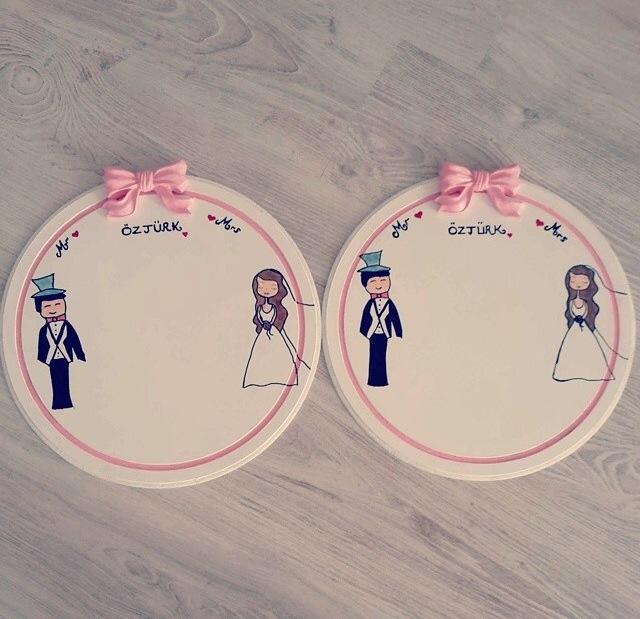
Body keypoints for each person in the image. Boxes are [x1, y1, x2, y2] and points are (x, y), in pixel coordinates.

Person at [243, 268, 306, 388]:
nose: (266, 291)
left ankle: (281, 377)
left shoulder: (276, 308)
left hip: (274, 333)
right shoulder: (259, 307)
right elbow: (259, 318)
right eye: (261, 287)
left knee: (279, 355)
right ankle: (259, 378)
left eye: (272, 287)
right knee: (260, 356)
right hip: (263, 335)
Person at [32, 274, 86, 409]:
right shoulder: (43, 330)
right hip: (51, 360)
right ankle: (58, 403)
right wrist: (43, 359)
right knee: (55, 381)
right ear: (40, 310)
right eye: (47, 306)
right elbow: (41, 345)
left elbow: (75, 341)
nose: (53, 309)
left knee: (65, 380)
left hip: (65, 358)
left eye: (57, 304)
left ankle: (66, 402)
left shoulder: (67, 326)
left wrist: (80, 355)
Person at [553, 265, 614, 382]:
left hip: (583, 327)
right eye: (573, 281)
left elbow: (586, 312)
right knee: (571, 349)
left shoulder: (587, 302)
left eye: (584, 282)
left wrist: (583, 318)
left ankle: (593, 371)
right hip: (575, 328)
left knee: (589, 348)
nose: (578, 284)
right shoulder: (571, 301)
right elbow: (571, 312)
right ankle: (567, 372)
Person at [358, 251, 402, 387]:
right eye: (373, 281)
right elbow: (365, 319)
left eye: (383, 280)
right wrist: (365, 332)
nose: (379, 284)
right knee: (373, 356)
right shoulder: (369, 304)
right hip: (372, 334)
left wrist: (398, 333)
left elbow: (395, 318)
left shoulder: (389, 303)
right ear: (366, 285)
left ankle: (382, 380)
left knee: (382, 357)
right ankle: (373, 380)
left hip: (384, 334)